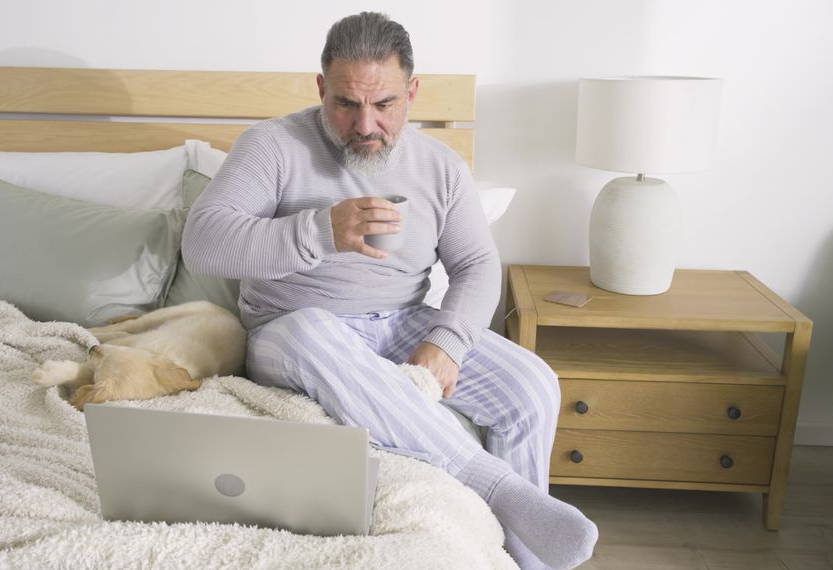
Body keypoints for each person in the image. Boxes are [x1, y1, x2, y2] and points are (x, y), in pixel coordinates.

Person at [182, 11, 597, 569]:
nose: (365, 126)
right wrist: (321, 231)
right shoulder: (273, 146)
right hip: (292, 329)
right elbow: (205, 244)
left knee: (535, 385)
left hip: (402, 321)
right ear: (321, 88)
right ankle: (497, 489)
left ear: (413, 92)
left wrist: (447, 342)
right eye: (346, 104)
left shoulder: (440, 167)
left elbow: (476, 264)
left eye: (385, 105)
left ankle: (529, 560)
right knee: (310, 331)